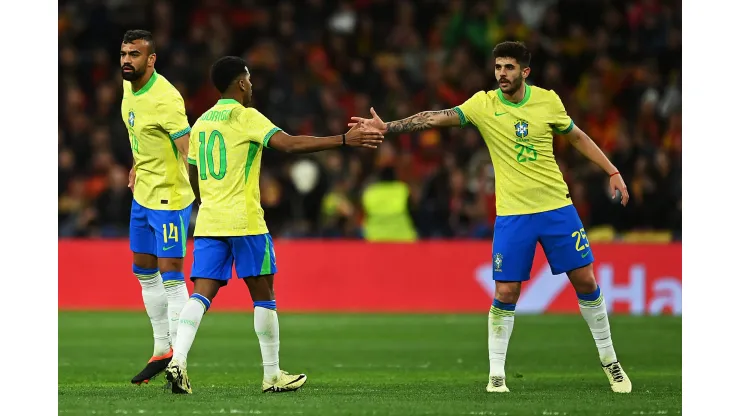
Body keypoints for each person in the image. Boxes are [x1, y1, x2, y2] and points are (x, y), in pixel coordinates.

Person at [350, 41, 632, 394]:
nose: (501, 73)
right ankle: (496, 374)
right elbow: (434, 118)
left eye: (509, 67)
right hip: (513, 215)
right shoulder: (483, 105)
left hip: (557, 209)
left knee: (586, 281)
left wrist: (612, 171)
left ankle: (611, 362)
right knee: (507, 290)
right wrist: (387, 127)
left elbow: (575, 136)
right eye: (498, 66)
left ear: (525, 72)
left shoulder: (548, 101)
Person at [164, 56, 384, 394]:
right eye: (249, 80)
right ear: (240, 83)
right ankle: (272, 375)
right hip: (245, 220)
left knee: (201, 294)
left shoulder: (202, 122)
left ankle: (178, 360)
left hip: (209, 220)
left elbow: (193, 172)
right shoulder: (246, 117)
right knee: (264, 296)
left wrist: (211, 198)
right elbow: (291, 144)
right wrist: (344, 139)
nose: (251, 86)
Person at [119, 30, 194, 385]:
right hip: (143, 195)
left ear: (151, 59)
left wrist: (211, 192)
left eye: (135, 54)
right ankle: (161, 349)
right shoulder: (127, 86)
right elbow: (140, 135)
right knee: (143, 271)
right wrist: (137, 163)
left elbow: (188, 149)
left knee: (171, 275)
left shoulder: (166, 98)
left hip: (169, 198)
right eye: (123, 53)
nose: (126, 60)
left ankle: (179, 360)